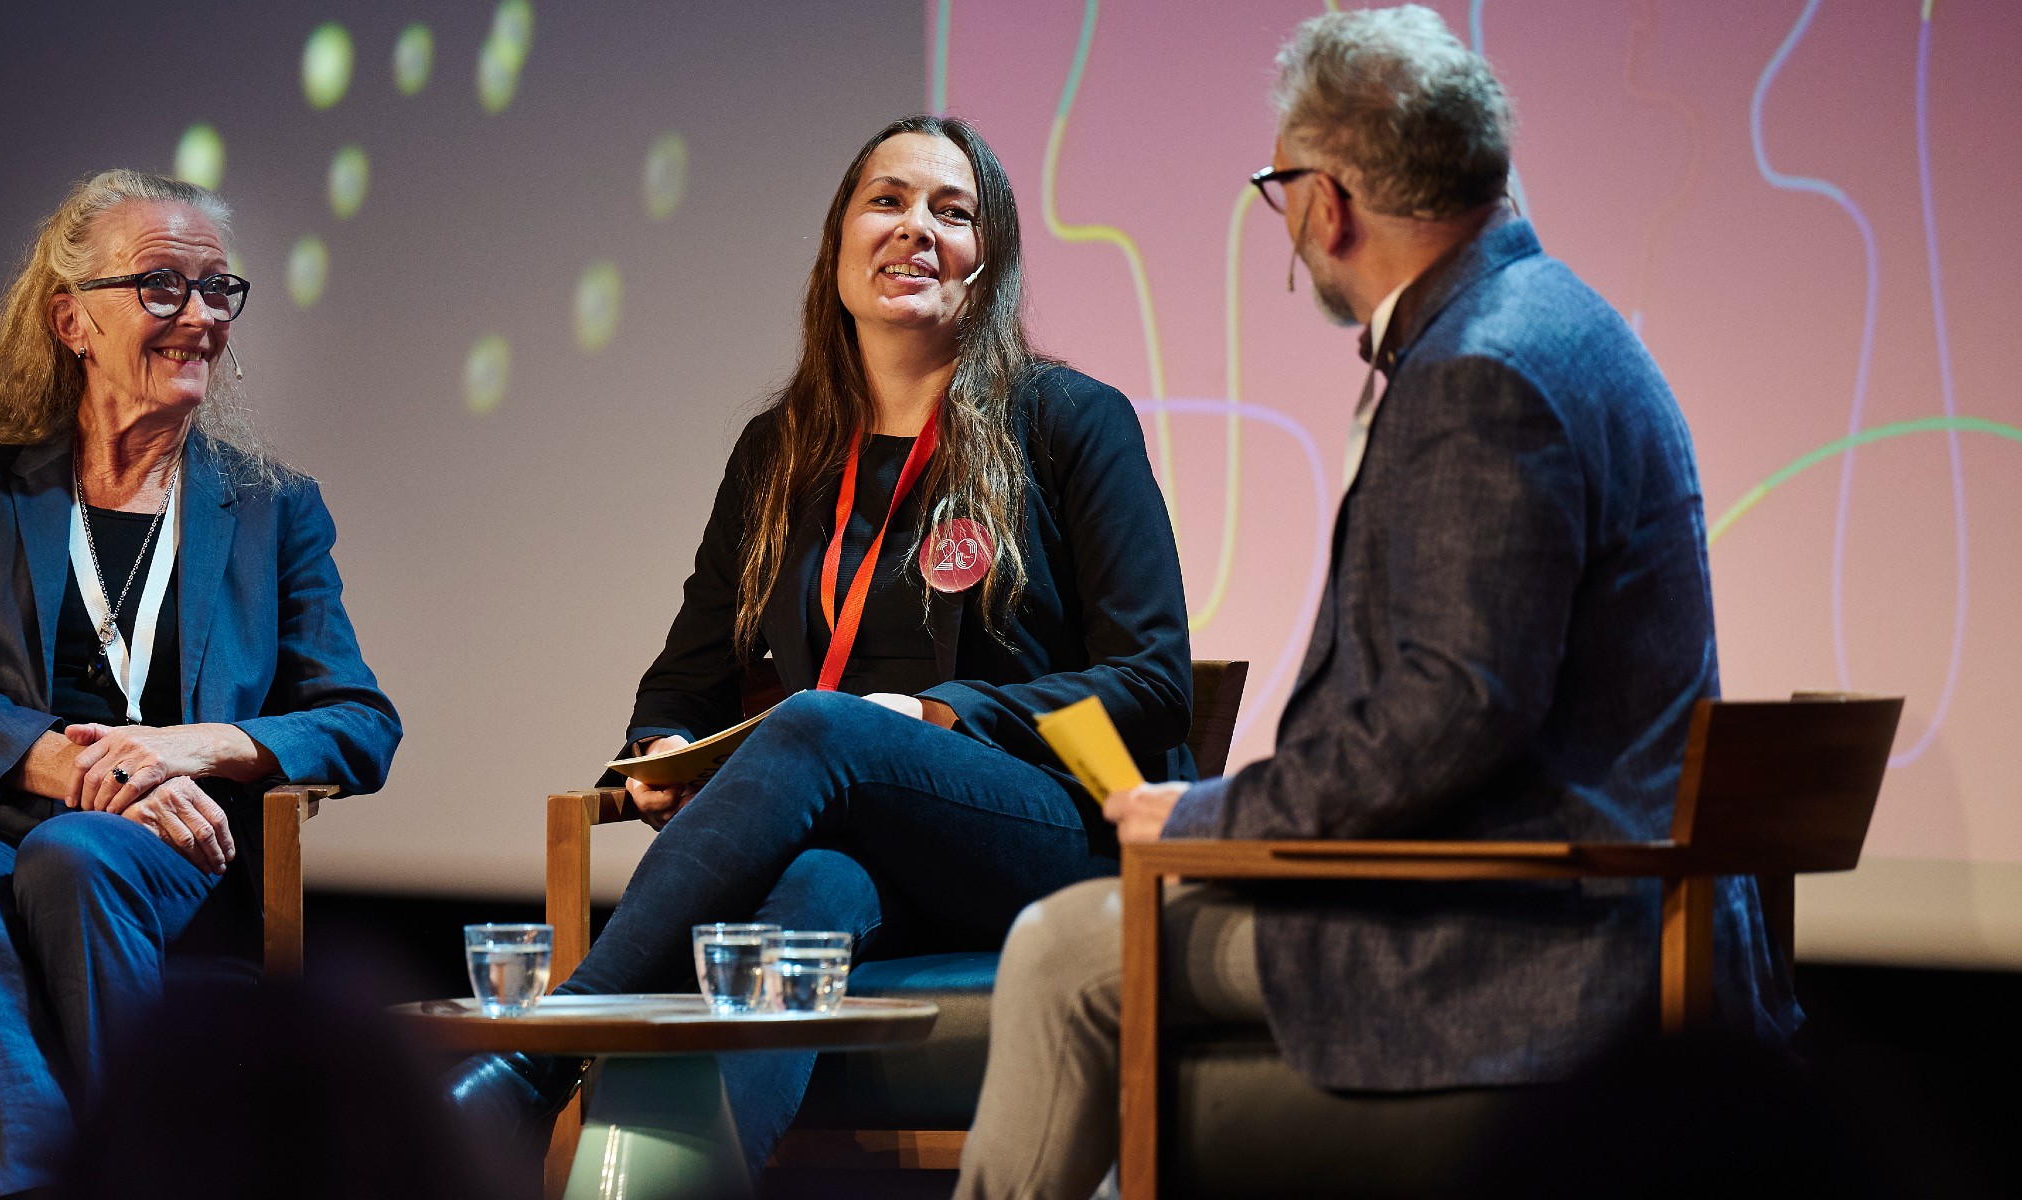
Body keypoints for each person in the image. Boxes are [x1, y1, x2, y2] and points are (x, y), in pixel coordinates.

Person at [953, 9, 1796, 1198]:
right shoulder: (1564, 324)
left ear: (1327, 201)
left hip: (1511, 945)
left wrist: (1203, 821)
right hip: (1567, 908)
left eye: (1280, 185)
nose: (1288, 218)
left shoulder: (1480, 373)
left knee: (1058, 956)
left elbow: (1452, 710)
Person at [447, 114, 1192, 1174]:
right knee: (812, 900)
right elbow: (689, 671)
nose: (914, 229)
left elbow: (1154, 679)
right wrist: (660, 745)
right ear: (837, 247)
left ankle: (539, 1056)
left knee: (816, 730)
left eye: (953, 211)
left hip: (1049, 830)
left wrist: (942, 714)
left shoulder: (1071, 422)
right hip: (867, 843)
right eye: (886, 201)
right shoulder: (782, 450)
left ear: (990, 263)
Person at [0, 168, 403, 1199]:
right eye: (161, 287)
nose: (199, 318)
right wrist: (67, 763)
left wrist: (192, 746)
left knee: (75, 860)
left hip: (148, 842)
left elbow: (359, 722)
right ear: (73, 321)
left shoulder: (274, 509)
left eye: (217, 289)